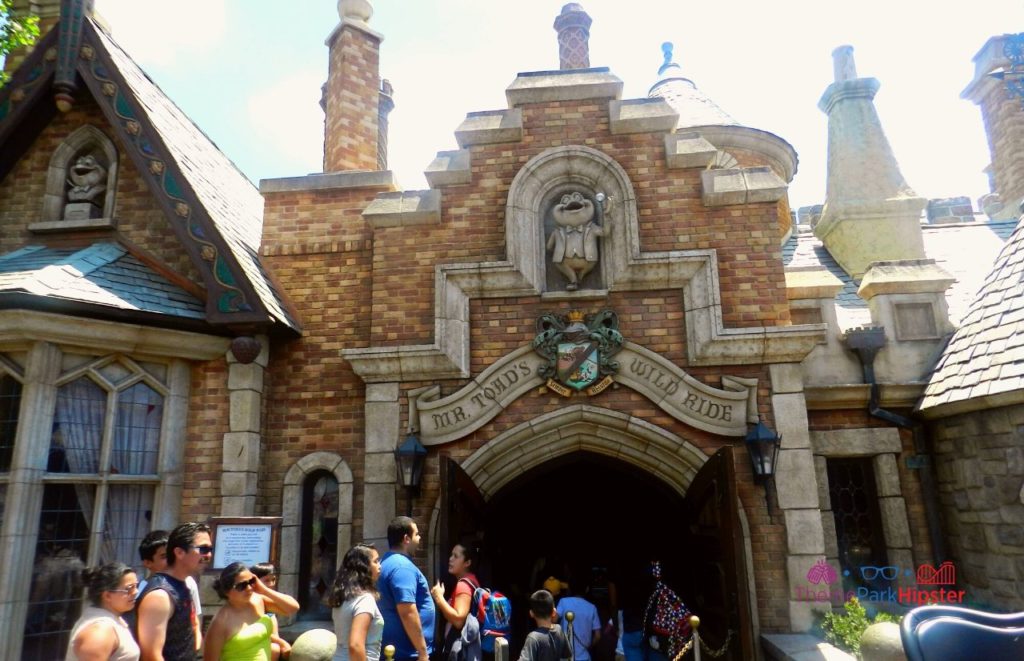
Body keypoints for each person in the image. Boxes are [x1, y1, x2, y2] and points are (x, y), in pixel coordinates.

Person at [135, 522, 213, 661]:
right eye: (203, 549)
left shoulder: (182, 584)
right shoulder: (160, 595)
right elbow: (151, 655)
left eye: (210, 549)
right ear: (179, 552)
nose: (208, 555)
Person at [203, 562, 300, 661]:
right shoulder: (221, 622)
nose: (249, 588)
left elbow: (292, 608)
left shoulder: (258, 600)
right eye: (242, 586)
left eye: (251, 581)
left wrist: (264, 590)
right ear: (227, 592)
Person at [377, 516, 435, 661]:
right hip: (407, 654)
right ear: (406, 539)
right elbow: (407, 611)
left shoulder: (387, 562)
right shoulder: (402, 567)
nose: (419, 538)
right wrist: (422, 653)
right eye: (416, 534)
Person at [65, 562, 141, 661]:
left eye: (136, 586)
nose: (136, 592)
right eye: (129, 589)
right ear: (107, 596)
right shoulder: (100, 631)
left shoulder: (113, 620)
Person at [132, 530, 202, 636]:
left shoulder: (188, 583)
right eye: (164, 556)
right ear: (148, 563)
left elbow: (195, 623)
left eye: (173, 554)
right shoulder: (141, 589)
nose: (171, 560)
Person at [328, 543, 384, 661]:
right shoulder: (365, 600)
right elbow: (356, 646)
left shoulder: (343, 598)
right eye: (376, 561)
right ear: (364, 567)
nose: (380, 566)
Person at [429, 542, 481, 661]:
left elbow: (458, 620)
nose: (450, 559)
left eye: (456, 556)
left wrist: (439, 598)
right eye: (451, 555)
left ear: (467, 563)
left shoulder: (463, 585)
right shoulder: (471, 580)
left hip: (459, 649)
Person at [251, 562, 292, 660]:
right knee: (274, 649)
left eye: (273, 580)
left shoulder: (268, 603)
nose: (271, 584)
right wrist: (281, 643)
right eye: (266, 580)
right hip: (252, 646)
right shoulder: (250, 602)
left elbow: (292, 608)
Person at [554, 580, 600, 661]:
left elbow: (553, 620)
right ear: (587, 589)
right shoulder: (592, 608)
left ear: (570, 589)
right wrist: (588, 646)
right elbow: (597, 636)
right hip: (584, 657)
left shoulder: (563, 602)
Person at [518, 590, 570, 661]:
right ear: (554, 612)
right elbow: (566, 657)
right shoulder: (559, 630)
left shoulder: (533, 638)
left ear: (531, 613)